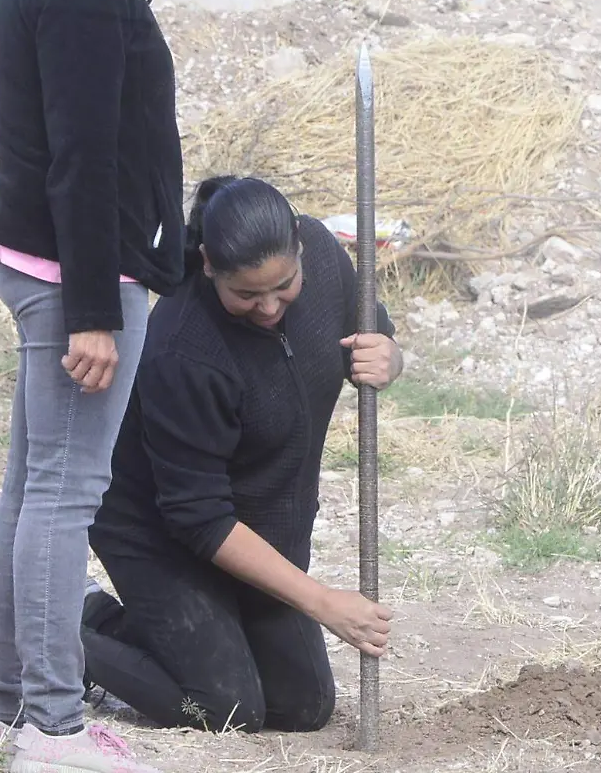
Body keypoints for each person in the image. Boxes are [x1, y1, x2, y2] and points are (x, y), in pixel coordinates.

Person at [0, 0, 237, 772]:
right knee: (62, 494)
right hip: (71, 271)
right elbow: (84, 154)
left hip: (45, 256)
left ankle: (9, 705)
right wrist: (94, 309)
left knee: (32, 488)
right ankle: (47, 726)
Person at [79, 176, 403, 734]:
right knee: (224, 708)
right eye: (247, 295)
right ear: (207, 265)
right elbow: (198, 517)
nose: (270, 307)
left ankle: (153, 633)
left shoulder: (323, 255)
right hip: (159, 531)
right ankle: (55, 638)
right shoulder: (184, 349)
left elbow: (369, 328)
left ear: (300, 247)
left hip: (256, 525)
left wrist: (388, 355)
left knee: (302, 707)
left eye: (283, 286)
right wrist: (323, 603)